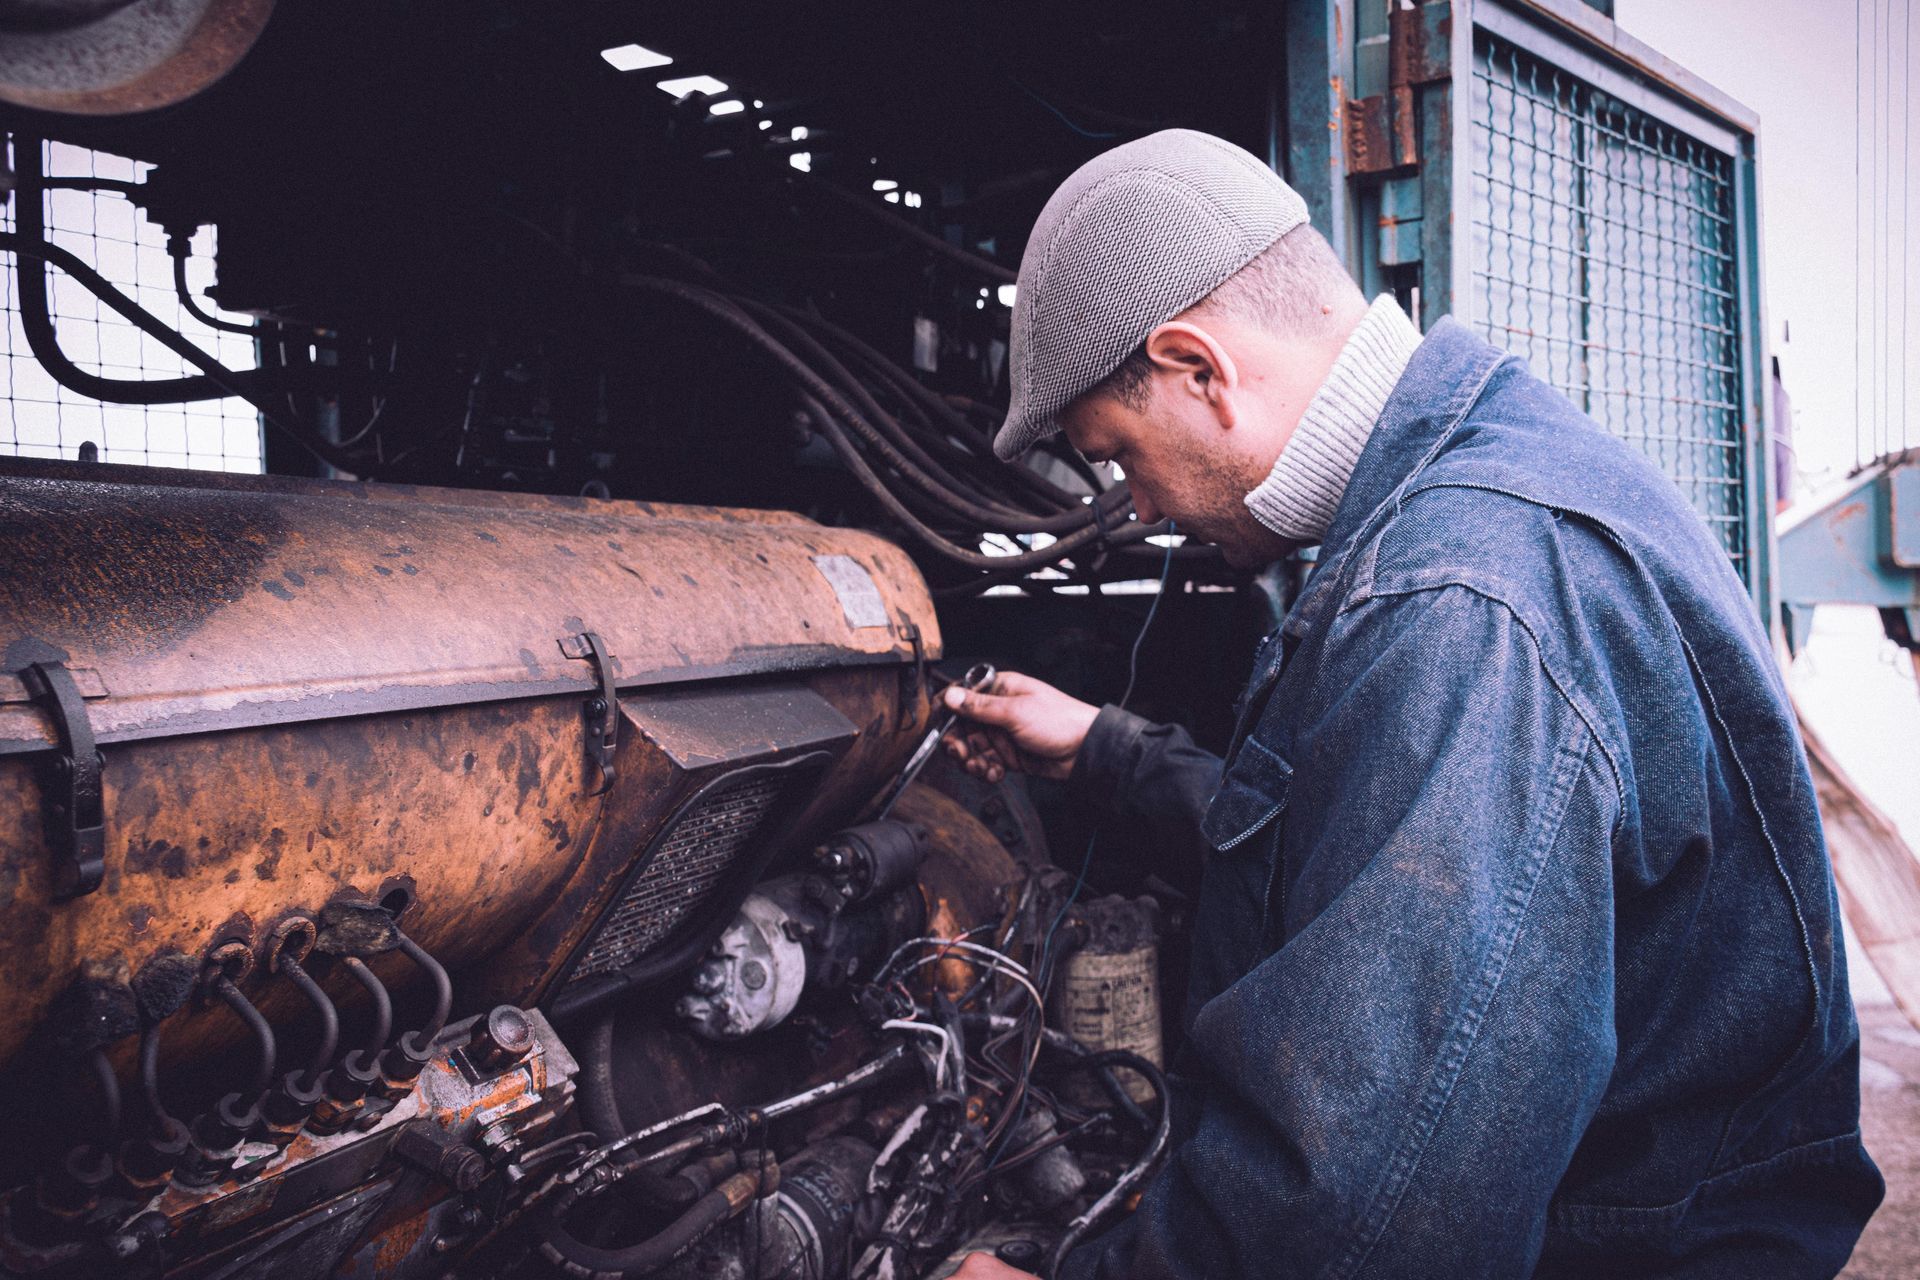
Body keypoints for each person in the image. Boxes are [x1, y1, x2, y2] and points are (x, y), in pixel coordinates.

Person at [944, 130, 1882, 1279]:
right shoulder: (1481, 473)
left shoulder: (1459, 597)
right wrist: (1107, 750)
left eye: (1120, 453)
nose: (1136, 507)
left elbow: (1371, 1216)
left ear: (1200, 367)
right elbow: (1359, 847)